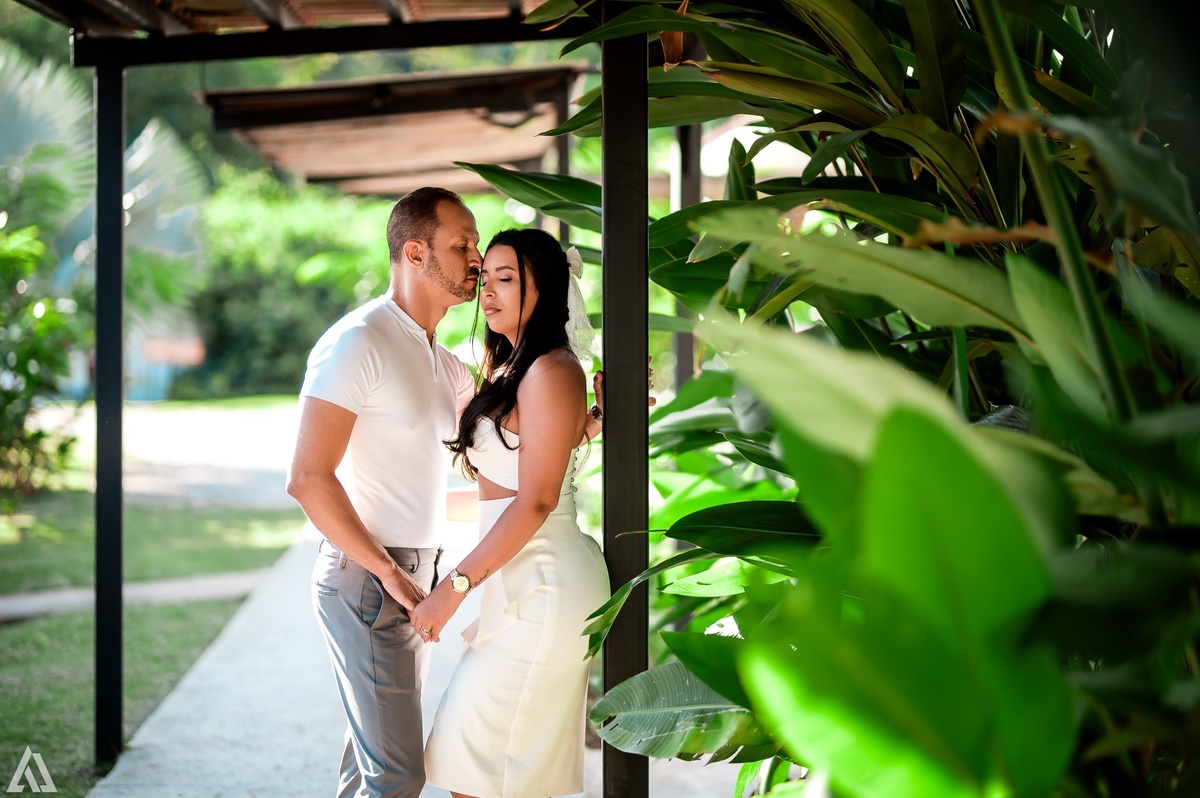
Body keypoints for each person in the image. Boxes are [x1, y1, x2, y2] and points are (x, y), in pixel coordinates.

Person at [286, 186, 483, 798]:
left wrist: (592, 416)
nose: (476, 258)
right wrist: (391, 576)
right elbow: (308, 479)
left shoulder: (440, 360)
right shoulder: (360, 341)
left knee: (373, 769)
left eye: (475, 244)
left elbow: (503, 450)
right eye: (462, 245)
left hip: (410, 574)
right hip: (371, 579)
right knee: (397, 774)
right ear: (416, 253)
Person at [414, 228, 611, 798]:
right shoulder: (516, 368)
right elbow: (540, 454)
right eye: (487, 279)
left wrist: (453, 589)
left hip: (543, 585)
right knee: (481, 772)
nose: (489, 293)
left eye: (507, 279)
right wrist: (598, 416)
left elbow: (539, 497)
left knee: (478, 772)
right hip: (520, 581)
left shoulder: (552, 369)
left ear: (544, 290)